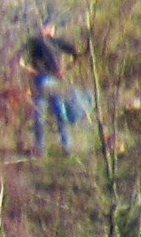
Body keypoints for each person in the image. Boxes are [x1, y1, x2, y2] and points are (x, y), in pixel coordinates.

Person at [21, 21, 90, 155]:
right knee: (59, 113)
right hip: (49, 80)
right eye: (50, 28)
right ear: (47, 29)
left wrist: (30, 70)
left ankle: (41, 148)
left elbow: (19, 60)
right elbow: (76, 53)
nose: (51, 31)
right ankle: (66, 146)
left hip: (43, 80)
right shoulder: (40, 42)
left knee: (41, 114)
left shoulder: (41, 42)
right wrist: (66, 68)